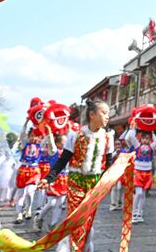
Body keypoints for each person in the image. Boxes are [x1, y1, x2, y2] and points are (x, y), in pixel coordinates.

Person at [39, 99, 115, 252]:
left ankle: (83, 247)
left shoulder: (108, 138)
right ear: (92, 115)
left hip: (95, 186)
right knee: (76, 220)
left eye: (108, 114)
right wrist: (48, 179)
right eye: (104, 113)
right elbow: (62, 161)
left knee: (87, 222)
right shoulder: (75, 136)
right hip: (76, 183)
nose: (108, 117)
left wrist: (107, 183)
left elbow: (109, 165)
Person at [125, 121, 156, 223]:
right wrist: (133, 127)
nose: (146, 140)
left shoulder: (151, 147)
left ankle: (140, 213)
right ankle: (133, 213)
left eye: (148, 138)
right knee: (138, 193)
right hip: (138, 171)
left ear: (150, 139)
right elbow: (130, 137)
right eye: (144, 138)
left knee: (143, 194)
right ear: (141, 139)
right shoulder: (137, 146)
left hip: (147, 172)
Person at [35, 132, 68, 232]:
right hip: (54, 179)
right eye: (63, 142)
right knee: (52, 203)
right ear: (57, 144)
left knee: (60, 203)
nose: (65, 144)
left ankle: (53, 225)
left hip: (64, 180)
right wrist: (50, 130)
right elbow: (51, 142)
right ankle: (39, 218)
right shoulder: (54, 151)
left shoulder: (68, 153)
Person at [14, 124, 42, 224]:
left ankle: (28, 209)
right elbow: (22, 135)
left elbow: (48, 139)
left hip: (34, 171)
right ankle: (19, 214)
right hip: (23, 171)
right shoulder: (25, 144)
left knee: (30, 193)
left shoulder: (40, 145)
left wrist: (46, 128)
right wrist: (26, 122)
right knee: (20, 193)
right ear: (29, 136)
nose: (33, 138)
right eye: (31, 136)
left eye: (36, 136)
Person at [109, 138, 127, 211]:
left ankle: (120, 202)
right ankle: (113, 204)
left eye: (119, 144)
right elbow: (109, 159)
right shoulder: (112, 152)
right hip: (113, 171)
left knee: (120, 188)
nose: (117, 146)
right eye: (116, 144)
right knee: (113, 188)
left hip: (121, 172)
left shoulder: (124, 152)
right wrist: (115, 153)